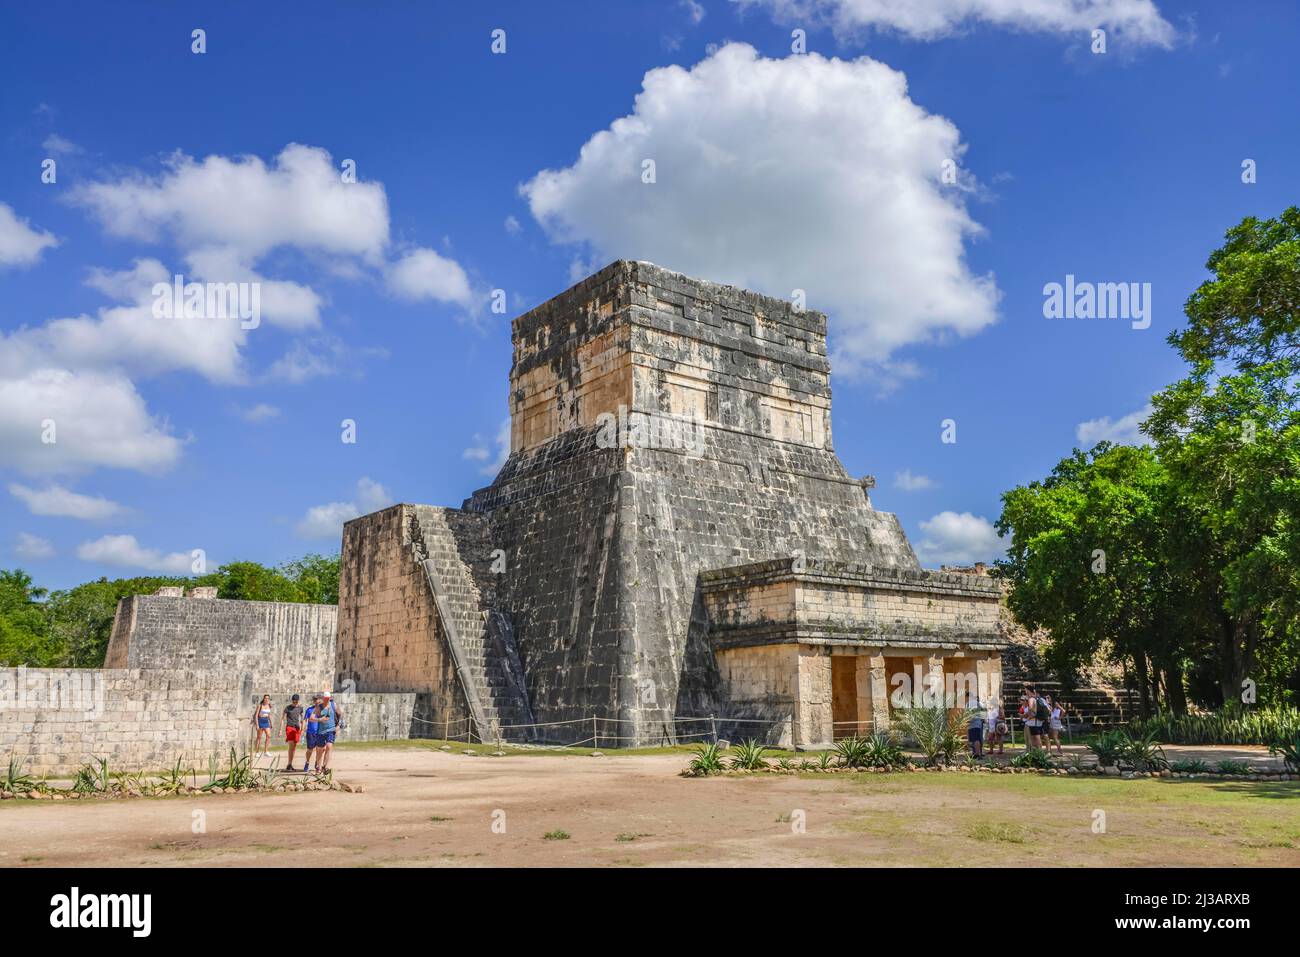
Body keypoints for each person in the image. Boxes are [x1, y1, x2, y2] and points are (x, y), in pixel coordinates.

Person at [313, 690, 345, 774]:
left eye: (328, 698)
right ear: (323, 698)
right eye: (325, 698)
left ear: (330, 698)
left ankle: (326, 766)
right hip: (321, 731)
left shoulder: (333, 705)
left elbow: (340, 714)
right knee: (320, 749)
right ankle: (318, 767)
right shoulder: (319, 707)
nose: (327, 700)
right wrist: (320, 719)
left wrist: (338, 726)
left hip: (331, 730)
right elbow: (311, 718)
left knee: (329, 746)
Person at [282, 694, 305, 770]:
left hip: (297, 728)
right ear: (292, 700)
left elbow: (302, 719)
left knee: (294, 747)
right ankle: (289, 764)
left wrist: (302, 729)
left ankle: (290, 764)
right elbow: (282, 719)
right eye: (294, 701)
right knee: (291, 746)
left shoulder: (300, 708)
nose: (295, 703)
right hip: (289, 727)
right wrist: (280, 730)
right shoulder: (287, 708)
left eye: (296, 701)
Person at [302, 693, 323, 772]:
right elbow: (305, 720)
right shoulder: (310, 709)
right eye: (314, 700)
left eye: (317, 699)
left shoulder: (323, 709)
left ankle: (317, 763)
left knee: (320, 749)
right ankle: (307, 762)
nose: (316, 701)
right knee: (310, 750)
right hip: (311, 732)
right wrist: (303, 729)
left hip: (320, 732)